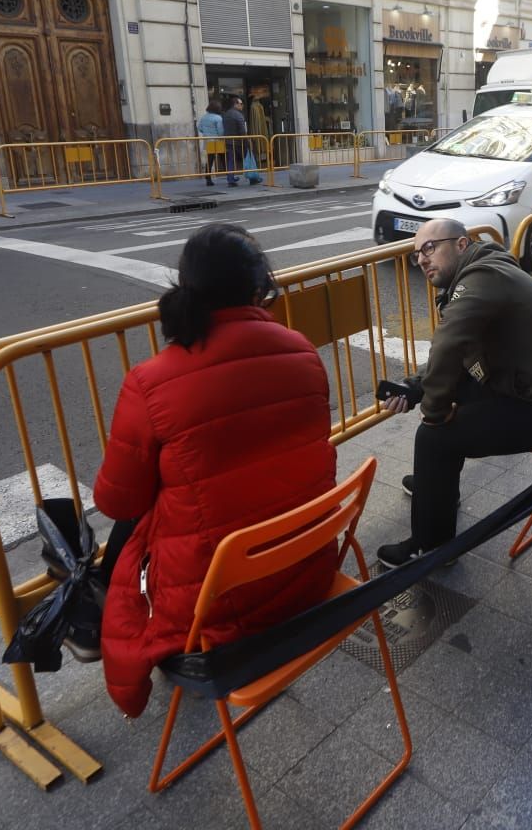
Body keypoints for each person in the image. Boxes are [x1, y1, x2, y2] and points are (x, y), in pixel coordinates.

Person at [92, 224, 337, 717]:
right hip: (309, 573)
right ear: (258, 286)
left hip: (219, 610)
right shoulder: (302, 352)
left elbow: (117, 502)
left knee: (131, 545)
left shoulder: (152, 381)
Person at [375, 218, 532, 569]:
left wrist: (432, 415)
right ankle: (436, 486)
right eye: (417, 253)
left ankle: (431, 546)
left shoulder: (481, 279)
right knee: (454, 399)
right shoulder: (484, 270)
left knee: (434, 438)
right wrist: (414, 387)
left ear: (462, 245)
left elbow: (449, 345)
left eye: (430, 248)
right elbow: (464, 352)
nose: (422, 259)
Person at [221, 95, 248, 187]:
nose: (242, 105)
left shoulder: (226, 114)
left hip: (228, 141)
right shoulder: (238, 115)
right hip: (238, 142)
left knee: (230, 160)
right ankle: (253, 176)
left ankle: (230, 179)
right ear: (235, 104)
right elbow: (242, 130)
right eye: (241, 103)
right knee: (248, 158)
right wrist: (246, 140)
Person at [197, 98, 224, 187]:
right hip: (217, 140)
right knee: (223, 157)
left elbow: (199, 127)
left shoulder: (204, 117)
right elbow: (221, 131)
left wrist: (206, 133)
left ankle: (208, 178)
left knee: (210, 159)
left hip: (207, 140)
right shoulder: (218, 118)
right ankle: (229, 175)